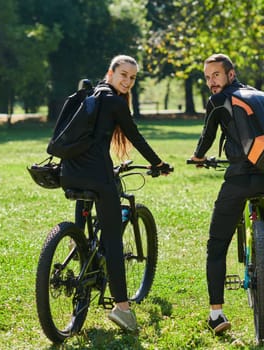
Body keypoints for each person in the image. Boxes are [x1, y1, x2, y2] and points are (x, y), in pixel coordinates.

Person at [189, 54, 264, 334]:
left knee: (217, 245)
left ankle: (217, 316)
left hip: (239, 181)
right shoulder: (263, 97)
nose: (211, 82)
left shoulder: (219, 101)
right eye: (207, 78)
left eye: (216, 75)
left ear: (231, 75)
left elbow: (208, 135)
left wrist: (198, 156)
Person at [60, 54, 172, 332]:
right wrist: (159, 164)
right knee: (112, 241)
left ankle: (78, 242)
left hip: (69, 172)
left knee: (86, 205)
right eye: (123, 75)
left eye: (132, 78)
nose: (128, 81)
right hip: (99, 177)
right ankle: (122, 308)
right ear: (110, 73)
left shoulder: (88, 95)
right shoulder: (113, 102)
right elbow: (136, 136)